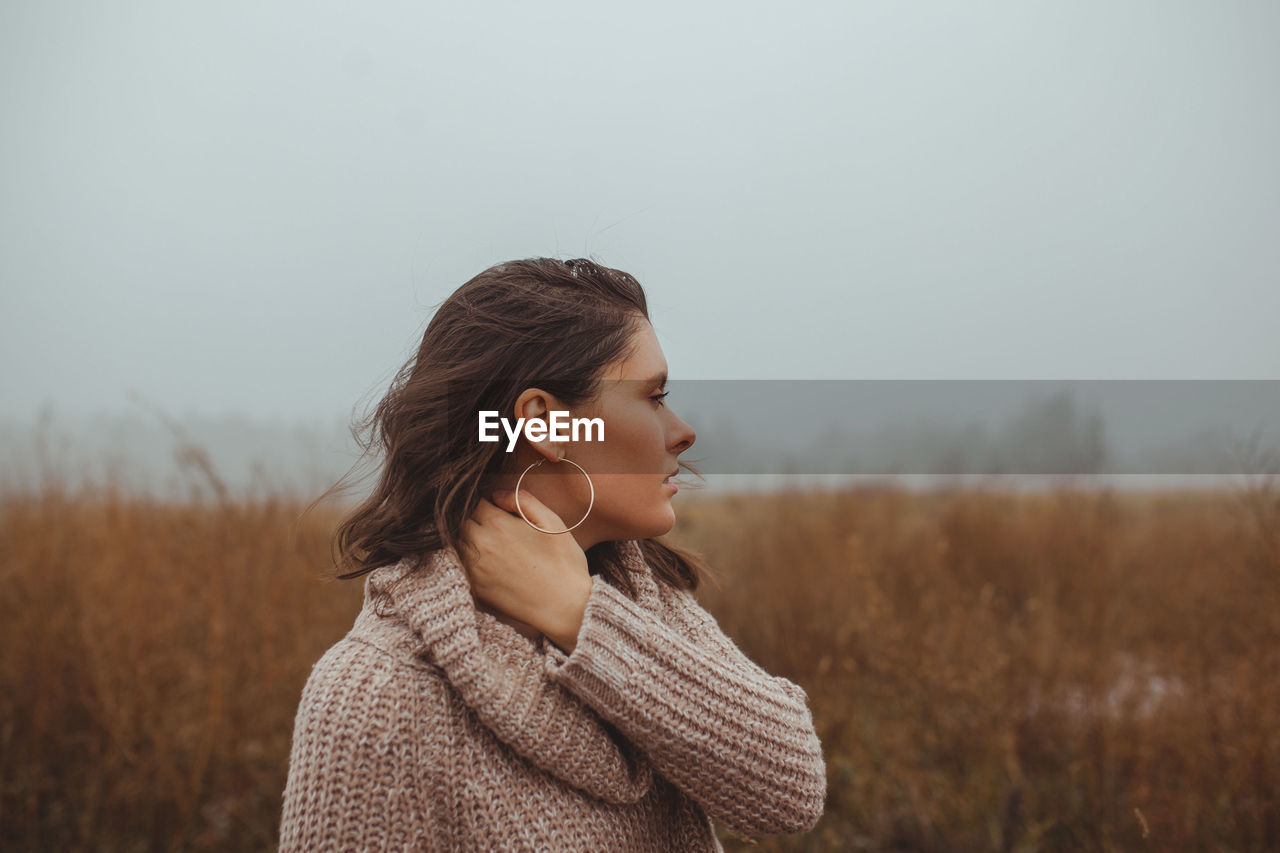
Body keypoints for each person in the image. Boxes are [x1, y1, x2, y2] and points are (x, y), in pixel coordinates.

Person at [278, 258, 827, 851]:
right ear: (545, 423)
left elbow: (792, 790)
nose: (683, 430)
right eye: (654, 396)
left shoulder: (642, 597)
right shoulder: (376, 695)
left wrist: (578, 613)